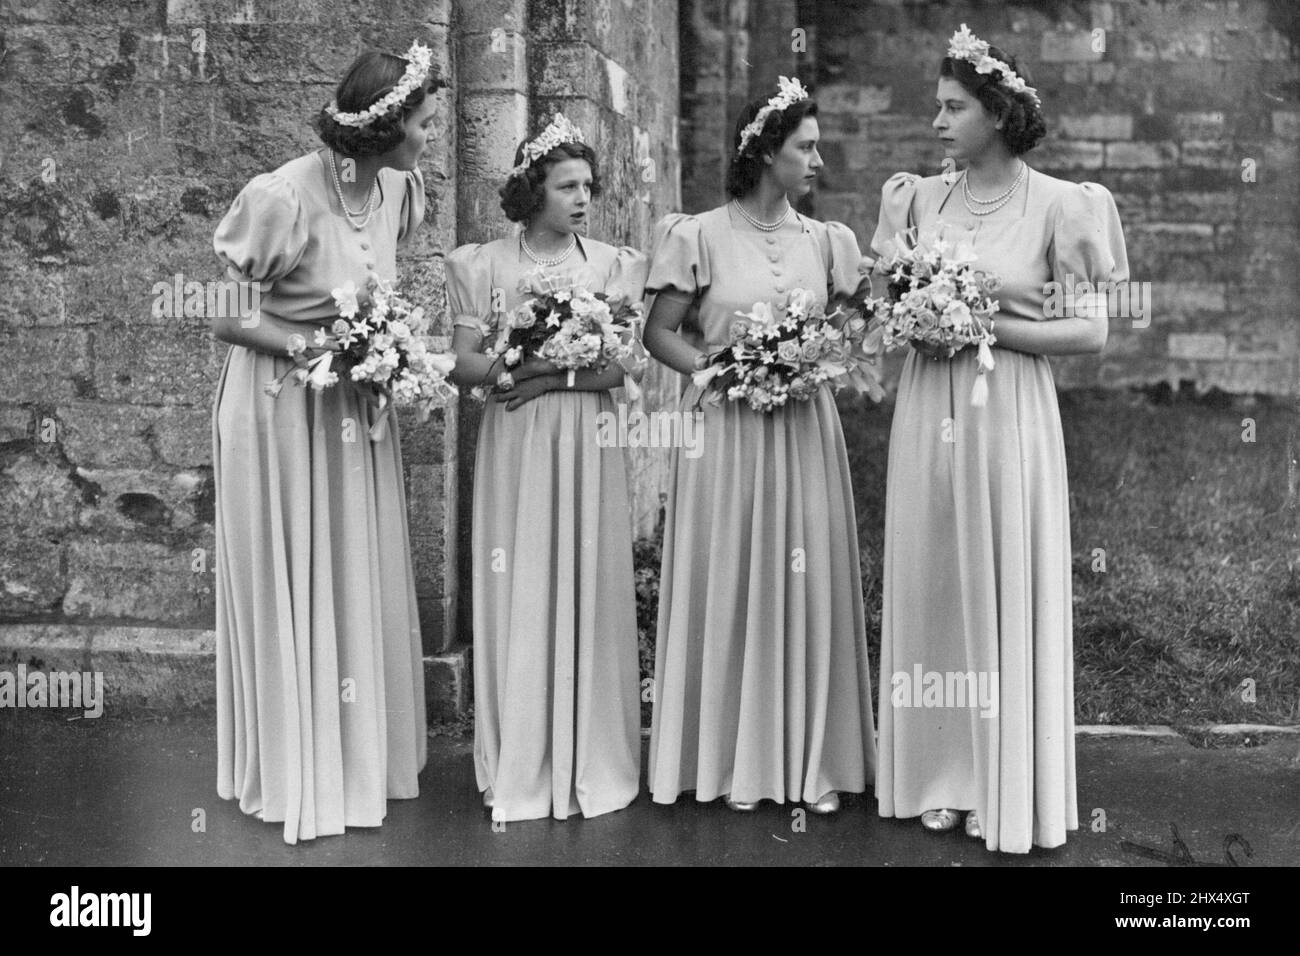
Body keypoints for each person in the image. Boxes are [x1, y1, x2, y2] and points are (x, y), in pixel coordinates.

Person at [872, 25, 1129, 853]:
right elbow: (883, 311)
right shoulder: (916, 199)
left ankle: (1001, 777)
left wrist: (989, 326)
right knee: (938, 574)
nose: (939, 122)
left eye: (954, 108)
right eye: (938, 107)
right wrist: (917, 318)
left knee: (1001, 571)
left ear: (996, 113)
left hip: (1008, 405)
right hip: (927, 402)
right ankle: (941, 771)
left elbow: (1091, 335)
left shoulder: (1063, 204)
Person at [211, 41, 440, 844]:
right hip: (279, 408)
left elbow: (375, 291)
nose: (428, 137)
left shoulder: (401, 190)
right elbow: (226, 314)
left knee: (350, 568)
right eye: (419, 123)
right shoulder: (281, 197)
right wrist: (322, 351)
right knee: (296, 568)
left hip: (353, 410)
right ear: (380, 126)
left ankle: (356, 759)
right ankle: (299, 766)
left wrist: (386, 350)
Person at [643, 78, 876, 814]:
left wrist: (821, 354)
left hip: (805, 428)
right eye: (806, 146)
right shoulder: (700, 234)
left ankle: (811, 758)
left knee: (805, 579)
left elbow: (858, 326)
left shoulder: (828, 242)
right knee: (732, 577)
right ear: (767, 151)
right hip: (727, 430)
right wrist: (720, 369)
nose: (817, 160)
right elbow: (659, 334)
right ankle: (729, 758)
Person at [446, 113, 647, 823]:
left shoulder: (611, 265)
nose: (583, 198)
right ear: (534, 191)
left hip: (586, 438)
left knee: (585, 581)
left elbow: (623, 365)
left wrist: (548, 381)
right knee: (522, 581)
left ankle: (588, 751)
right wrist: (522, 364)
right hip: (516, 441)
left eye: (588, 186)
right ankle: (524, 754)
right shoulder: (485, 265)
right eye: (568, 186)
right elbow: (466, 366)